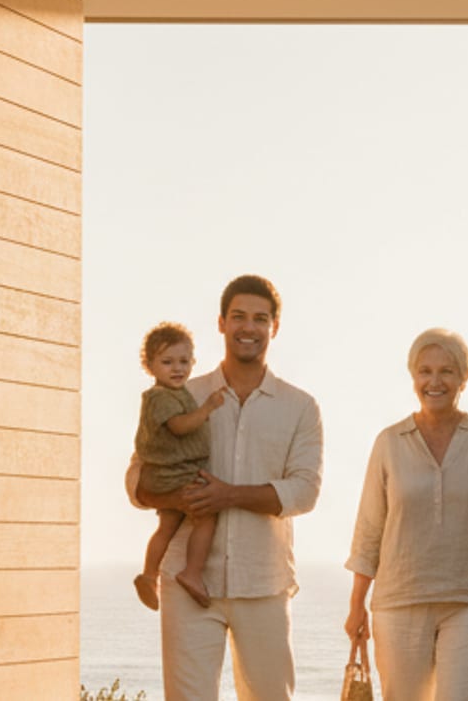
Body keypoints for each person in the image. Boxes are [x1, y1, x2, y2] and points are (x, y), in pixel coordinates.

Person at [130, 275, 324, 701]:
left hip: (264, 583)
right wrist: (178, 498)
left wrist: (228, 495)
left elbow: (304, 492)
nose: (248, 327)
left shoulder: (300, 406)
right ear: (220, 323)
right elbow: (137, 481)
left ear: (275, 327)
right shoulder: (180, 393)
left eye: (259, 318)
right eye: (238, 317)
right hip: (186, 586)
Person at [344, 328, 468, 701]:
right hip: (399, 602)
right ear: (413, 377)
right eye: (425, 371)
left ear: (464, 378)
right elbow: (368, 531)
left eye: (447, 371)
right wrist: (356, 608)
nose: (435, 381)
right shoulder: (388, 442)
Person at [131, 322, 228, 611]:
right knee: (207, 513)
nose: (177, 369)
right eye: (167, 362)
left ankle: (149, 575)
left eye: (184, 362)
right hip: (173, 474)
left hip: (167, 474)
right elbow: (180, 426)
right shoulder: (160, 397)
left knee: (168, 525)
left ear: (193, 362)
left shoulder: (176, 392)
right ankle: (192, 572)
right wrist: (207, 408)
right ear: (150, 366)